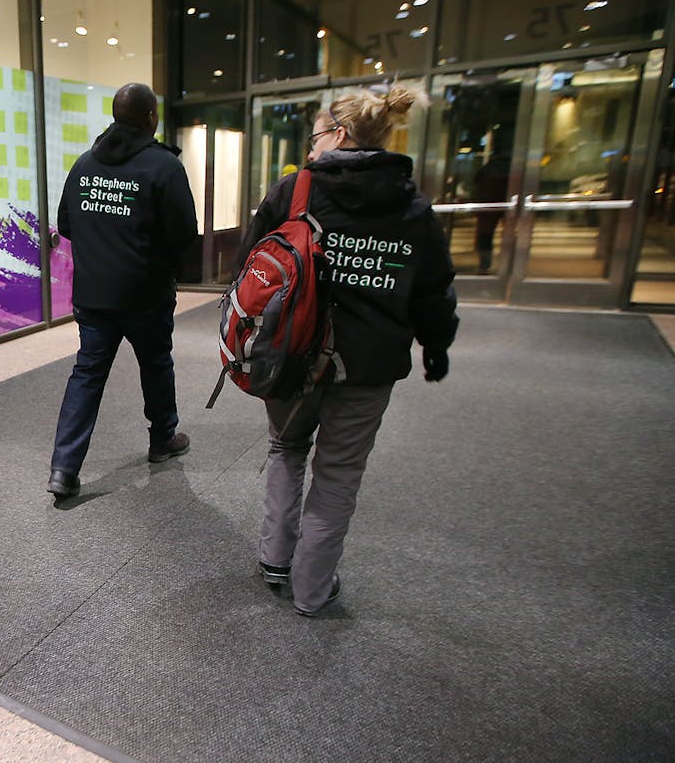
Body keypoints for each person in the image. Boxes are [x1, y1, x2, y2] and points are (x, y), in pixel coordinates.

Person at [242, 87, 458, 616]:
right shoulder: (412, 208)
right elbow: (434, 289)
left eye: (316, 134)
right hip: (367, 368)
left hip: (291, 356)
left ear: (338, 134)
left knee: (287, 450)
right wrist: (436, 345)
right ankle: (313, 592)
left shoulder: (295, 192)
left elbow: (251, 267)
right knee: (338, 476)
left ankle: (275, 559)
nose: (311, 145)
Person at [46, 82, 199, 499]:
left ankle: (63, 468)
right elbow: (185, 234)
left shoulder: (84, 164)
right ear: (151, 118)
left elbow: (66, 225)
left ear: (116, 116)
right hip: (145, 294)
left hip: (94, 295)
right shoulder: (164, 168)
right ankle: (162, 438)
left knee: (88, 374)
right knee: (155, 364)